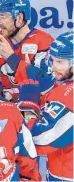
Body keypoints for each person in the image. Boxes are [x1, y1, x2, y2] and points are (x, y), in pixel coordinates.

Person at [18, 31, 73, 181]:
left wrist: (29, 105)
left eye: (60, 62)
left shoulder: (67, 96)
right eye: (52, 60)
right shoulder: (63, 92)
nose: (54, 67)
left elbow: (39, 138)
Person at [0, 0, 55, 101]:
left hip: (34, 111)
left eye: (3, 16)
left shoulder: (44, 42)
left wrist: (11, 58)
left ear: (19, 18)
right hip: (0, 111)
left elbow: (46, 86)